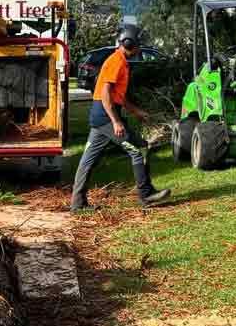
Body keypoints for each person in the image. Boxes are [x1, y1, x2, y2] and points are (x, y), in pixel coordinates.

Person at [70, 26, 169, 213]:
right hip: (106, 116)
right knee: (138, 148)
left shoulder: (121, 61)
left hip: (101, 116)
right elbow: (106, 94)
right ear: (129, 43)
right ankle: (146, 194)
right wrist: (116, 122)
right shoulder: (116, 61)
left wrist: (136, 111)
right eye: (138, 44)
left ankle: (77, 204)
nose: (140, 48)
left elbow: (118, 96)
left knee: (87, 161)